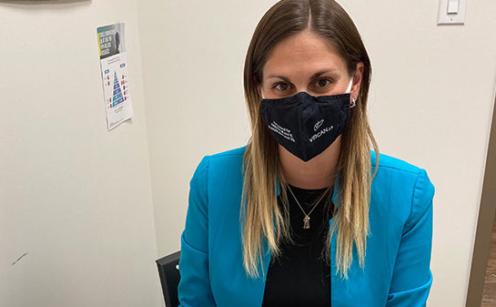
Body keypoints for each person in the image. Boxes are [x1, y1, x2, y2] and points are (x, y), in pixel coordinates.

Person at [177, 0, 435, 306]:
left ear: (355, 82)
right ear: (259, 87)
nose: (303, 107)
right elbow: (195, 301)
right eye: (282, 85)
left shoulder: (407, 195)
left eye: (322, 82)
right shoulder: (213, 182)